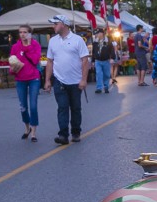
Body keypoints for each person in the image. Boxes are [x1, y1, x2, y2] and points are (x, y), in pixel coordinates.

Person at [44, 14, 89, 145]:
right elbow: (50, 62)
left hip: (76, 81)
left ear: (63, 24)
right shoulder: (52, 41)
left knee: (75, 108)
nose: (53, 26)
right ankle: (63, 135)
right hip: (59, 80)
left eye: (55, 23)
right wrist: (47, 80)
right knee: (62, 107)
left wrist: (84, 79)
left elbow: (85, 60)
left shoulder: (77, 40)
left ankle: (76, 132)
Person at [9, 24, 42, 142]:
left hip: (33, 78)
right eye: (20, 32)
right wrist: (12, 69)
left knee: (33, 106)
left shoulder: (35, 45)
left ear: (29, 33)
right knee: (23, 107)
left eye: (25, 32)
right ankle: (27, 127)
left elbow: (35, 59)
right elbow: (11, 62)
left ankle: (33, 132)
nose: (22, 34)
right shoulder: (15, 47)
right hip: (20, 79)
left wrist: (28, 46)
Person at [91, 29, 117, 94]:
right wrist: (93, 60)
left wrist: (112, 58)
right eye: (96, 33)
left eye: (98, 33)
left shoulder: (108, 41)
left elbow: (112, 50)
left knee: (106, 74)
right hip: (98, 60)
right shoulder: (95, 42)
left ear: (102, 33)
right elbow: (93, 52)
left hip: (106, 60)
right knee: (98, 74)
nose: (96, 35)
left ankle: (106, 87)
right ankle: (99, 88)